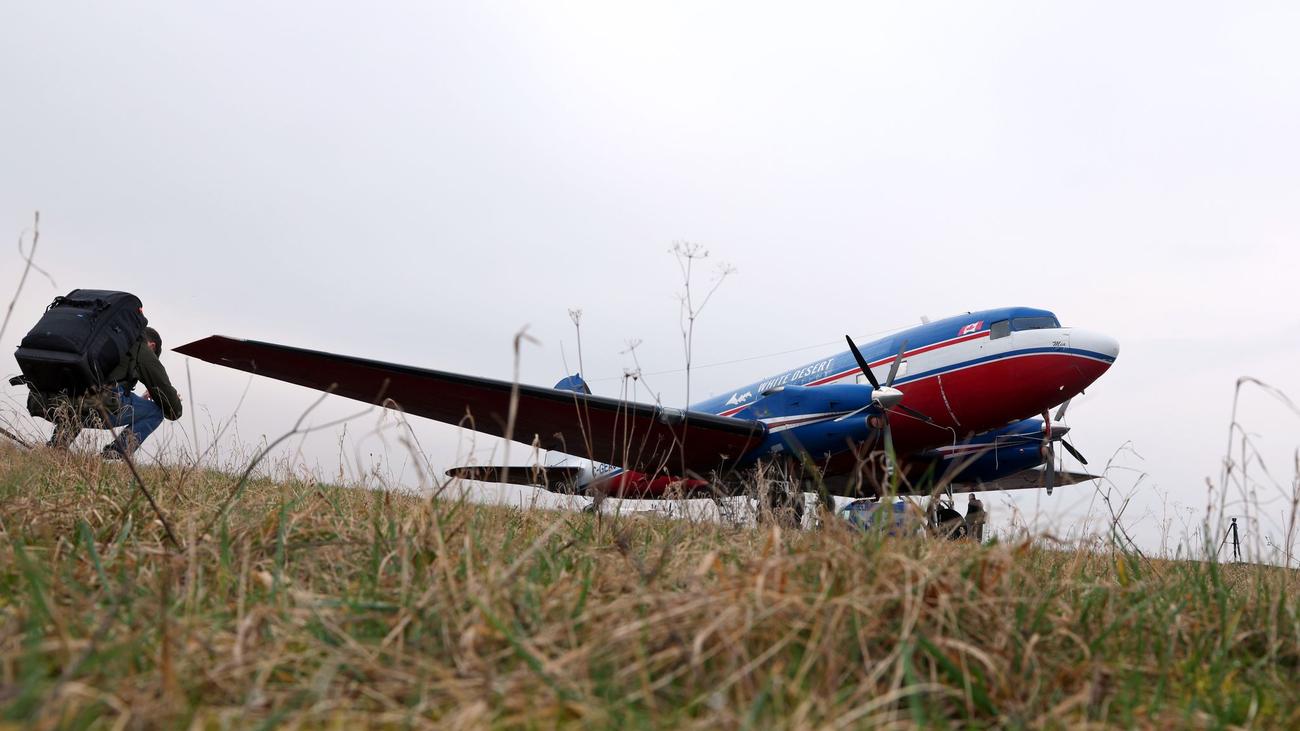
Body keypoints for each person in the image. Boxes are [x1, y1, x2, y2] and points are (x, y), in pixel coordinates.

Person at [40, 326, 182, 458]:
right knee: (157, 411)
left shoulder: (108, 340)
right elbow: (170, 403)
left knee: (81, 398)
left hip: (58, 398)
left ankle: (56, 447)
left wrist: (141, 399)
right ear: (152, 345)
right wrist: (172, 402)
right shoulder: (141, 348)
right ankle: (113, 454)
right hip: (101, 403)